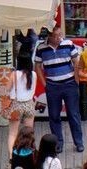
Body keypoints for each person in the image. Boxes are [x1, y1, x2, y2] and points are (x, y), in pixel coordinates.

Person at [34, 26, 84, 154]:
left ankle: (79, 142)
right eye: (56, 36)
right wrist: (45, 84)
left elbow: (76, 62)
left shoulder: (68, 44)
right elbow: (38, 66)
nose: (59, 38)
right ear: (49, 37)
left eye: (60, 35)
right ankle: (58, 143)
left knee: (73, 114)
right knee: (54, 116)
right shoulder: (41, 48)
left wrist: (76, 80)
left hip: (69, 84)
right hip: (52, 86)